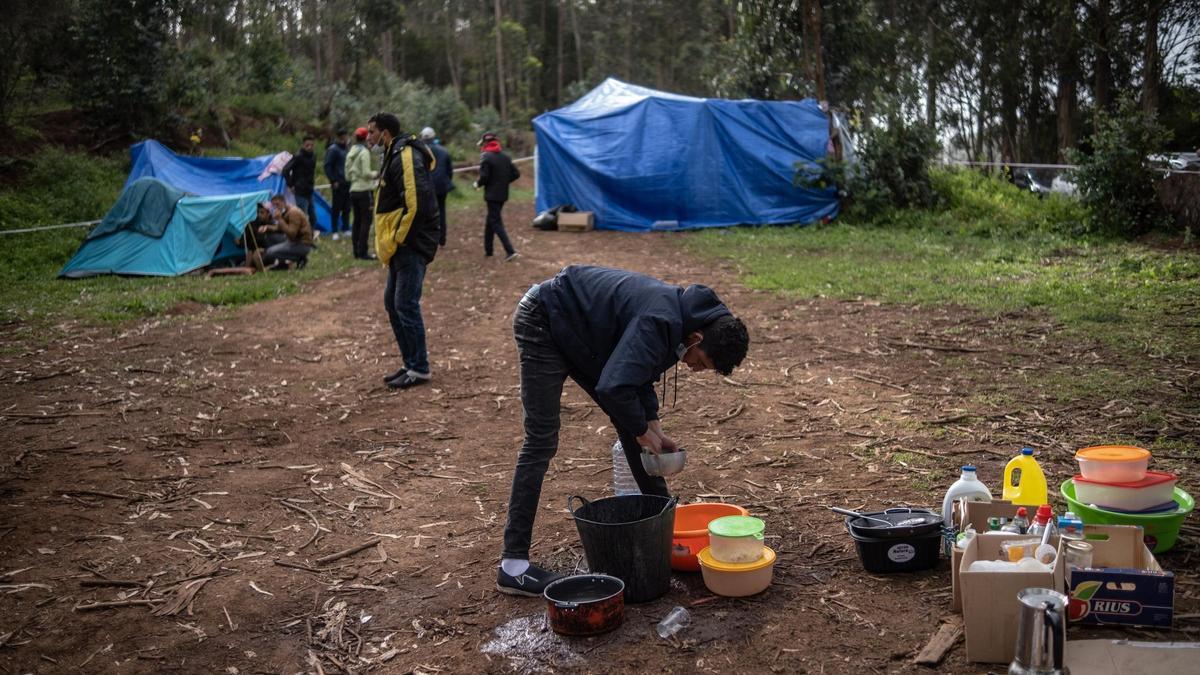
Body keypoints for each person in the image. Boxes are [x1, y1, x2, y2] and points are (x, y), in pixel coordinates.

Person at [497, 265, 750, 596]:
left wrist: (654, 431)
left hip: (581, 332)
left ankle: (665, 534)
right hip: (545, 318)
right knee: (541, 440)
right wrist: (643, 432)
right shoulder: (662, 321)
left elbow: (636, 378)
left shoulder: (682, 327)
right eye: (700, 362)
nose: (694, 368)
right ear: (697, 339)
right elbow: (614, 387)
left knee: (634, 426)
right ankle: (513, 567)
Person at [368, 112, 442, 390]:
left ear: (385, 133)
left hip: (411, 243)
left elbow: (418, 203)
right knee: (393, 303)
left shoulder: (406, 155)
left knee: (405, 304)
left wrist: (400, 238)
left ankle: (419, 368)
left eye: (372, 132)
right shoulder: (391, 152)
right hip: (400, 245)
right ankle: (411, 362)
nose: (369, 137)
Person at [474, 132, 520, 260]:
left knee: (495, 222)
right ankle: (488, 250)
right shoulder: (505, 156)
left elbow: (484, 177)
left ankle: (510, 251)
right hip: (503, 194)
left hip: (492, 195)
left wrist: (477, 184)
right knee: (490, 221)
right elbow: (516, 174)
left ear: (485, 143)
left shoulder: (486, 157)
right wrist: (503, 182)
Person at [420, 127, 455, 247]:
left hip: (426, 187)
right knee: (441, 211)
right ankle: (442, 239)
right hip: (441, 186)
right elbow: (450, 171)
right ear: (433, 136)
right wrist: (447, 181)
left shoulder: (420, 151)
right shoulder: (443, 151)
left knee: (426, 212)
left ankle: (429, 239)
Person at [259, 193, 314, 269]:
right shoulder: (286, 212)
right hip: (293, 242)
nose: (276, 207)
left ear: (284, 202)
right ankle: (284, 263)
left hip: (302, 244)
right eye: (274, 206)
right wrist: (267, 227)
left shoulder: (293, 212)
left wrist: (279, 219)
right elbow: (279, 229)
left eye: (277, 204)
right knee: (269, 238)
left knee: (270, 252)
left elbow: (292, 233)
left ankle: (299, 258)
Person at [345, 127, 376, 260]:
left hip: (353, 190)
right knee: (366, 221)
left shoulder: (350, 152)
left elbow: (347, 175)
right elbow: (366, 173)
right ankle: (363, 252)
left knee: (357, 221)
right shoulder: (364, 152)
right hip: (365, 190)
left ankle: (356, 251)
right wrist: (377, 173)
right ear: (366, 138)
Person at [282, 136, 318, 231]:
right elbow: (285, 170)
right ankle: (300, 240)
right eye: (307, 145)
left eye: (312, 145)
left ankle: (309, 237)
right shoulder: (298, 156)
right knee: (303, 217)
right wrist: (290, 185)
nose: (310, 147)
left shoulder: (314, 156)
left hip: (309, 191)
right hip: (300, 191)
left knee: (313, 218)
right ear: (303, 145)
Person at [323, 129, 352, 241]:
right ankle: (334, 230)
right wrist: (333, 180)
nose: (346, 139)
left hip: (347, 182)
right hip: (338, 183)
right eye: (344, 137)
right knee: (336, 208)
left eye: (346, 136)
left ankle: (345, 229)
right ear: (340, 137)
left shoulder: (347, 149)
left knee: (347, 207)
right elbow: (327, 166)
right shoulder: (333, 149)